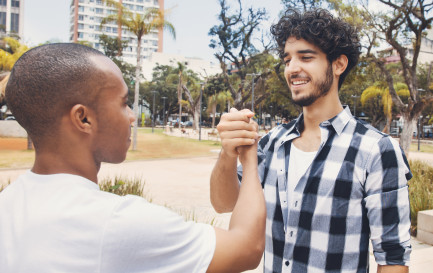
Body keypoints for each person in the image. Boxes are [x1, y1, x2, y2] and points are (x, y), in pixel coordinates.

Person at [0, 43, 266, 273]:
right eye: (123, 103)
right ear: (83, 118)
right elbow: (247, 248)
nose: (131, 116)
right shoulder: (115, 221)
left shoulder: (8, 204)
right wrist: (249, 156)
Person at [210, 8, 411, 273]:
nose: (292, 68)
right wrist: (228, 153)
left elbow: (393, 258)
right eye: (287, 60)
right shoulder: (270, 144)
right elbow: (224, 203)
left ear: (338, 64)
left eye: (305, 57)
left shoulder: (375, 150)